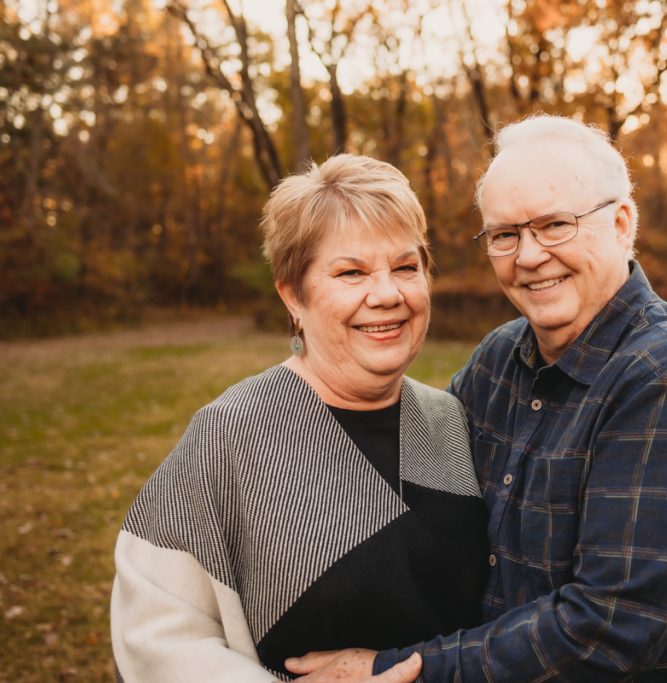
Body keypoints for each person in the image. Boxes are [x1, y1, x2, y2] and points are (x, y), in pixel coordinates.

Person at [287, 116, 667, 681]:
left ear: (621, 224)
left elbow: (607, 628)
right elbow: (423, 513)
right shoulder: (499, 361)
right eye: (504, 235)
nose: (529, 255)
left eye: (555, 225)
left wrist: (390, 671)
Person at [110, 154, 489, 682]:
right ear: (293, 293)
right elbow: (158, 637)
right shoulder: (230, 434)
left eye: (405, 267)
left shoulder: (451, 421)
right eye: (351, 272)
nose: (387, 295)